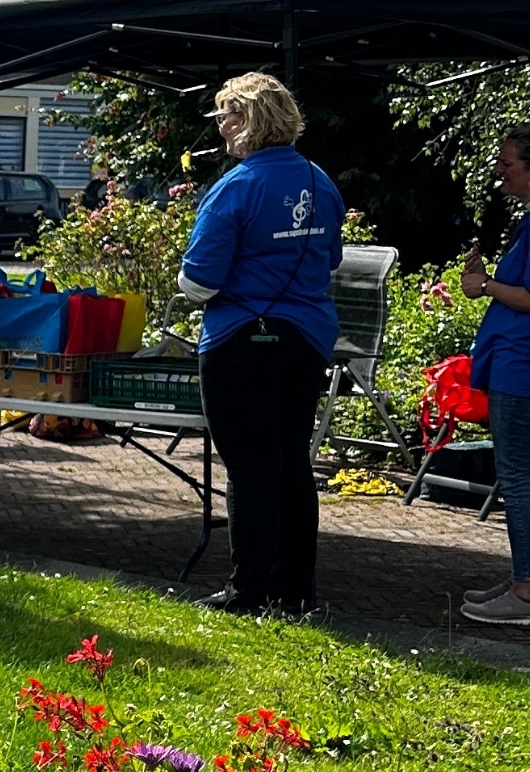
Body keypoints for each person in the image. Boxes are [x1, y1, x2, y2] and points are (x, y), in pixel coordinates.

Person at [177, 73, 342, 615]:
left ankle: (247, 591)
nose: (221, 127)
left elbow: (200, 280)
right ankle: (295, 590)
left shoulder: (237, 185)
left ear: (247, 120)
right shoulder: (321, 180)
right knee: (292, 463)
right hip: (308, 338)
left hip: (240, 339)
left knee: (249, 466)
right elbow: (332, 260)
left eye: (226, 116)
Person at [459, 126, 530, 624]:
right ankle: (523, 578)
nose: (499, 170)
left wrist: (484, 285)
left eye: (508, 162)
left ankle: (525, 593)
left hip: (522, 368)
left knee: (520, 480)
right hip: (514, 364)